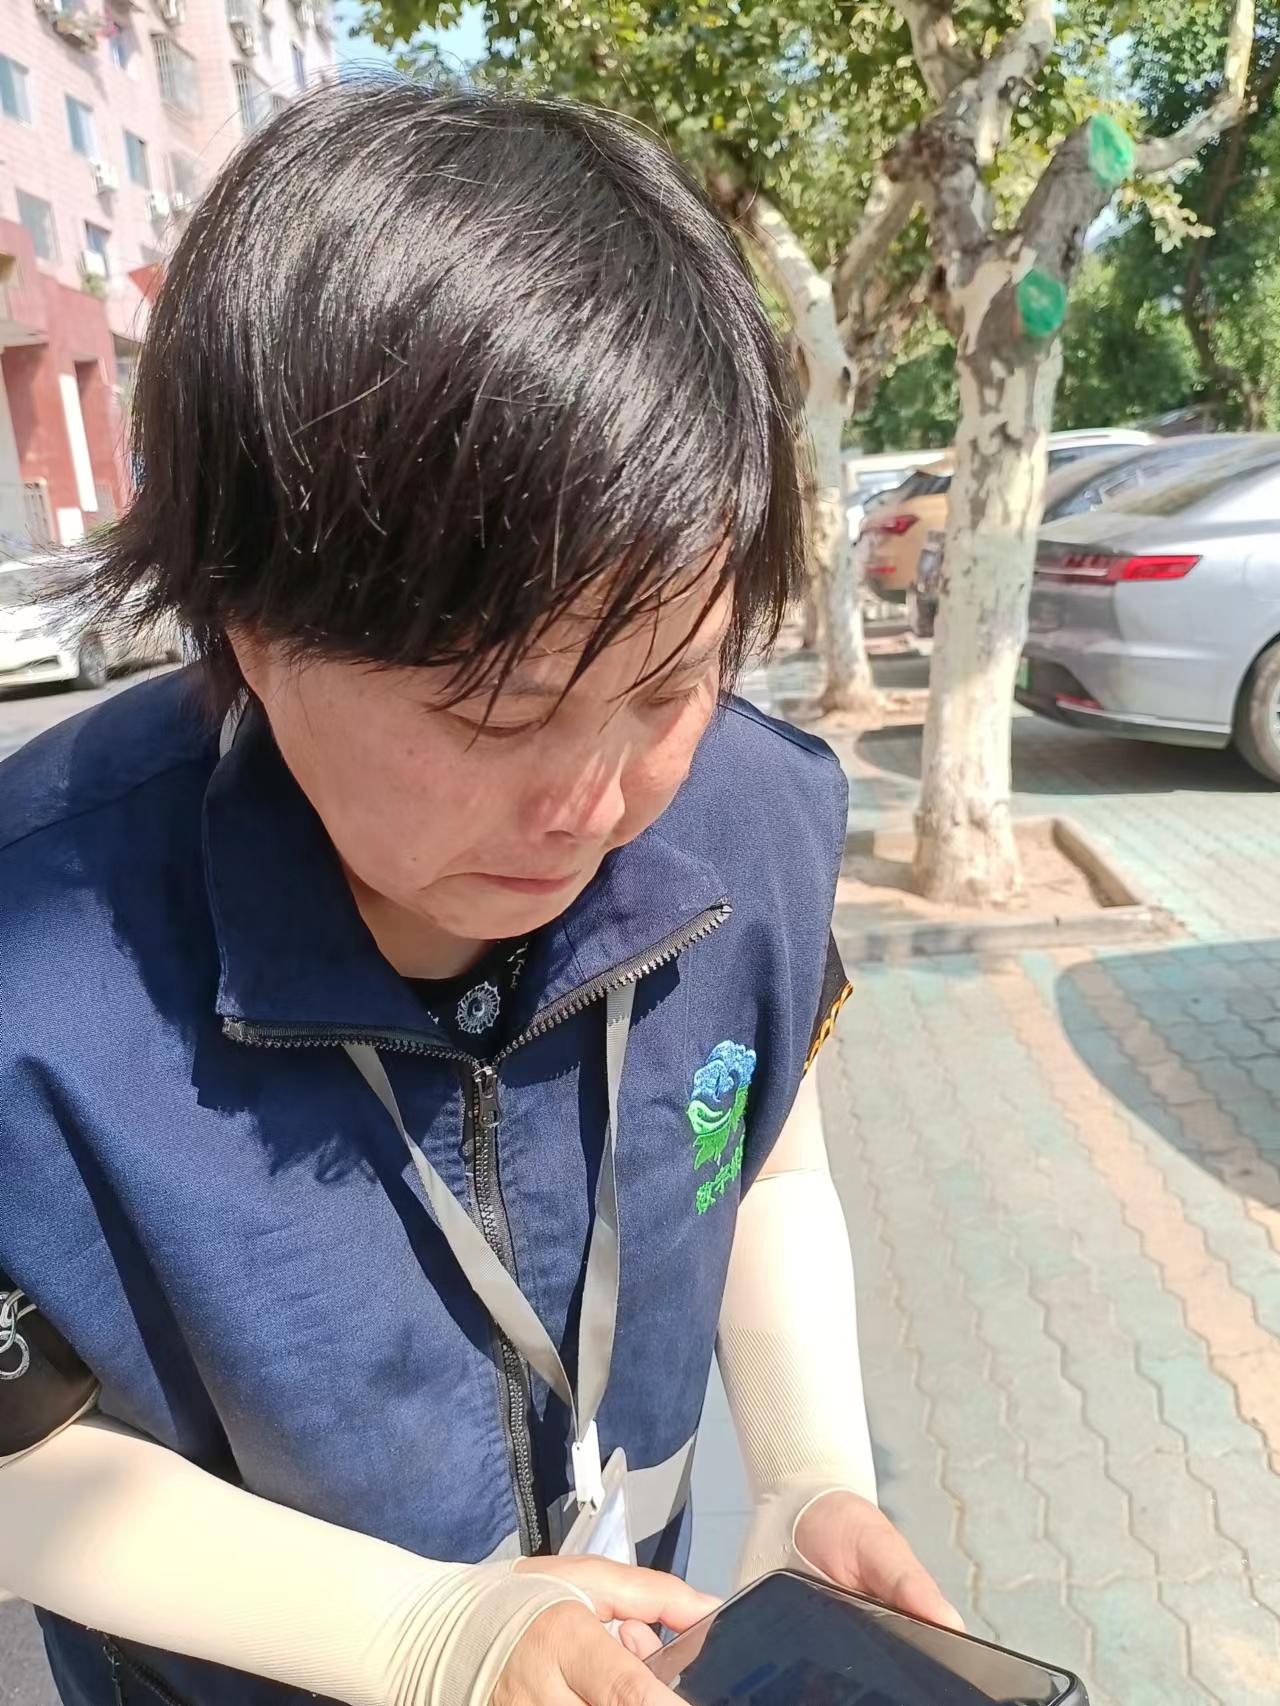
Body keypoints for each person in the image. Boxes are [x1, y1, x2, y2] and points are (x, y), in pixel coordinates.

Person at [0, 80, 956, 1706]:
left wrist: (807, 1475)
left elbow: (764, 1147)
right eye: (498, 715)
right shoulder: (40, 973)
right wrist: (414, 1635)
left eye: (669, 685)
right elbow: (23, 1448)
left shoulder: (749, 815)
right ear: (250, 621)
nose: (595, 802)